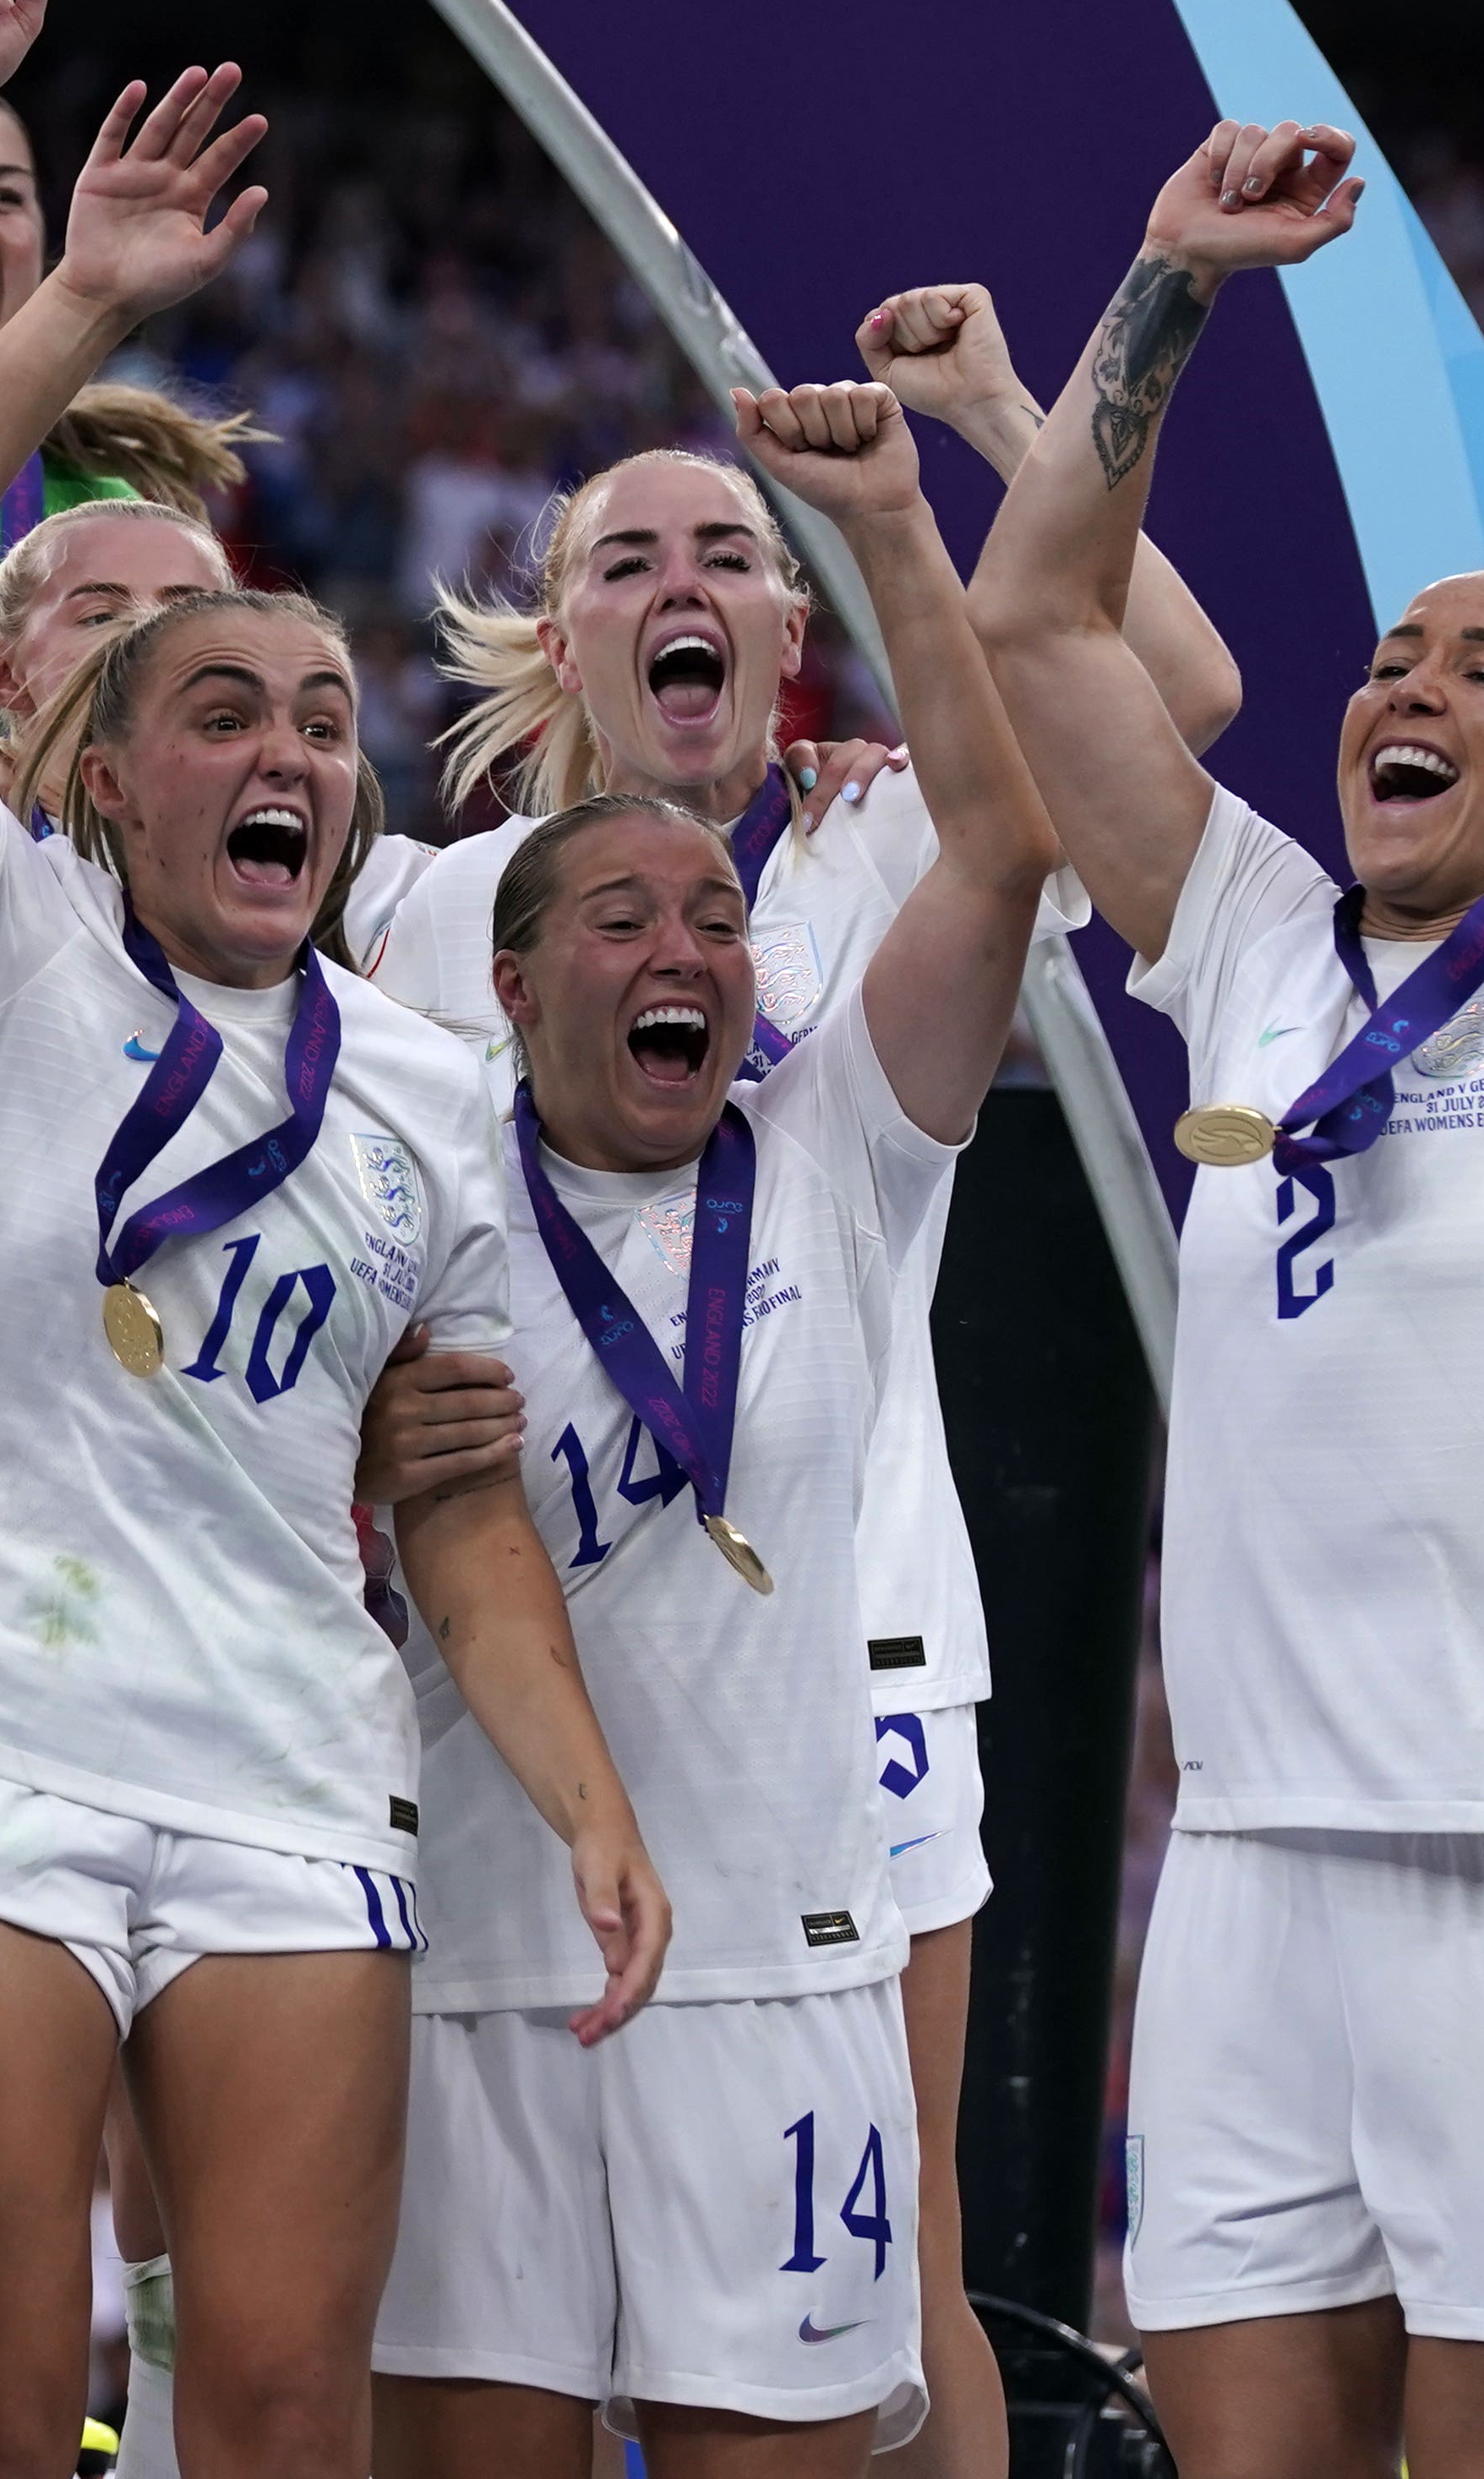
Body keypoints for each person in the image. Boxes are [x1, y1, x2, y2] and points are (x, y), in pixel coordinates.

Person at [0, 60, 668, 2479]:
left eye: (317, 721)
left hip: (293, 1776)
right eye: (218, 714)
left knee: (285, 2408)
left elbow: (468, 1503)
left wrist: (584, 1795)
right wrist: (74, 294)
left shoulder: (426, 1090)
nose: (283, 748)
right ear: (99, 767)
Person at [968, 0, 1484, 2479]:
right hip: (1252, 1893)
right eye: (1399, 648)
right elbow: (1033, 624)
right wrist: (1169, 282)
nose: (1409, 675)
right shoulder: (1261, 945)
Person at [367, 337, 1243, 2479]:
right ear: (559, 629)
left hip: (847, 1631)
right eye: (628, 556)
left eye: (729, 551)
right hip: (508, 1641)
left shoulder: (876, 843)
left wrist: (964, 451)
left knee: (898, 2260)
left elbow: (1178, 708)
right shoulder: (408, 914)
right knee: (507, 2298)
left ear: (782, 626)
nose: (684, 579)